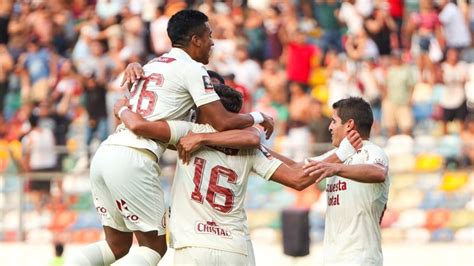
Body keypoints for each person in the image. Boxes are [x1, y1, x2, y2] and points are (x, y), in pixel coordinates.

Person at [66, 9, 274, 266]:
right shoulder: (193, 70)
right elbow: (223, 121)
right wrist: (258, 116)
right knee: (153, 249)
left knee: (117, 246)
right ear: (196, 39)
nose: (212, 42)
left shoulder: (152, 65)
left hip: (107, 152)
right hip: (136, 158)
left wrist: (121, 106)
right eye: (209, 36)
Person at [114, 84, 363, 265]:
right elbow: (298, 177)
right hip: (234, 248)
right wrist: (341, 154)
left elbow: (140, 126)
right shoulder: (249, 147)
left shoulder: (187, 132)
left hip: (192, 246)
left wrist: (123, 108)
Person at [303, 97, 389, 266]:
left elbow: (378, 172)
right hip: (333, 259)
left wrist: (336, 168)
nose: (330, 127)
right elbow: (296, 170)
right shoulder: (336, 156)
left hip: (360, 259)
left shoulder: (371, 151)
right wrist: (259, 150)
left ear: (349, 124)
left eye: (334, 121)